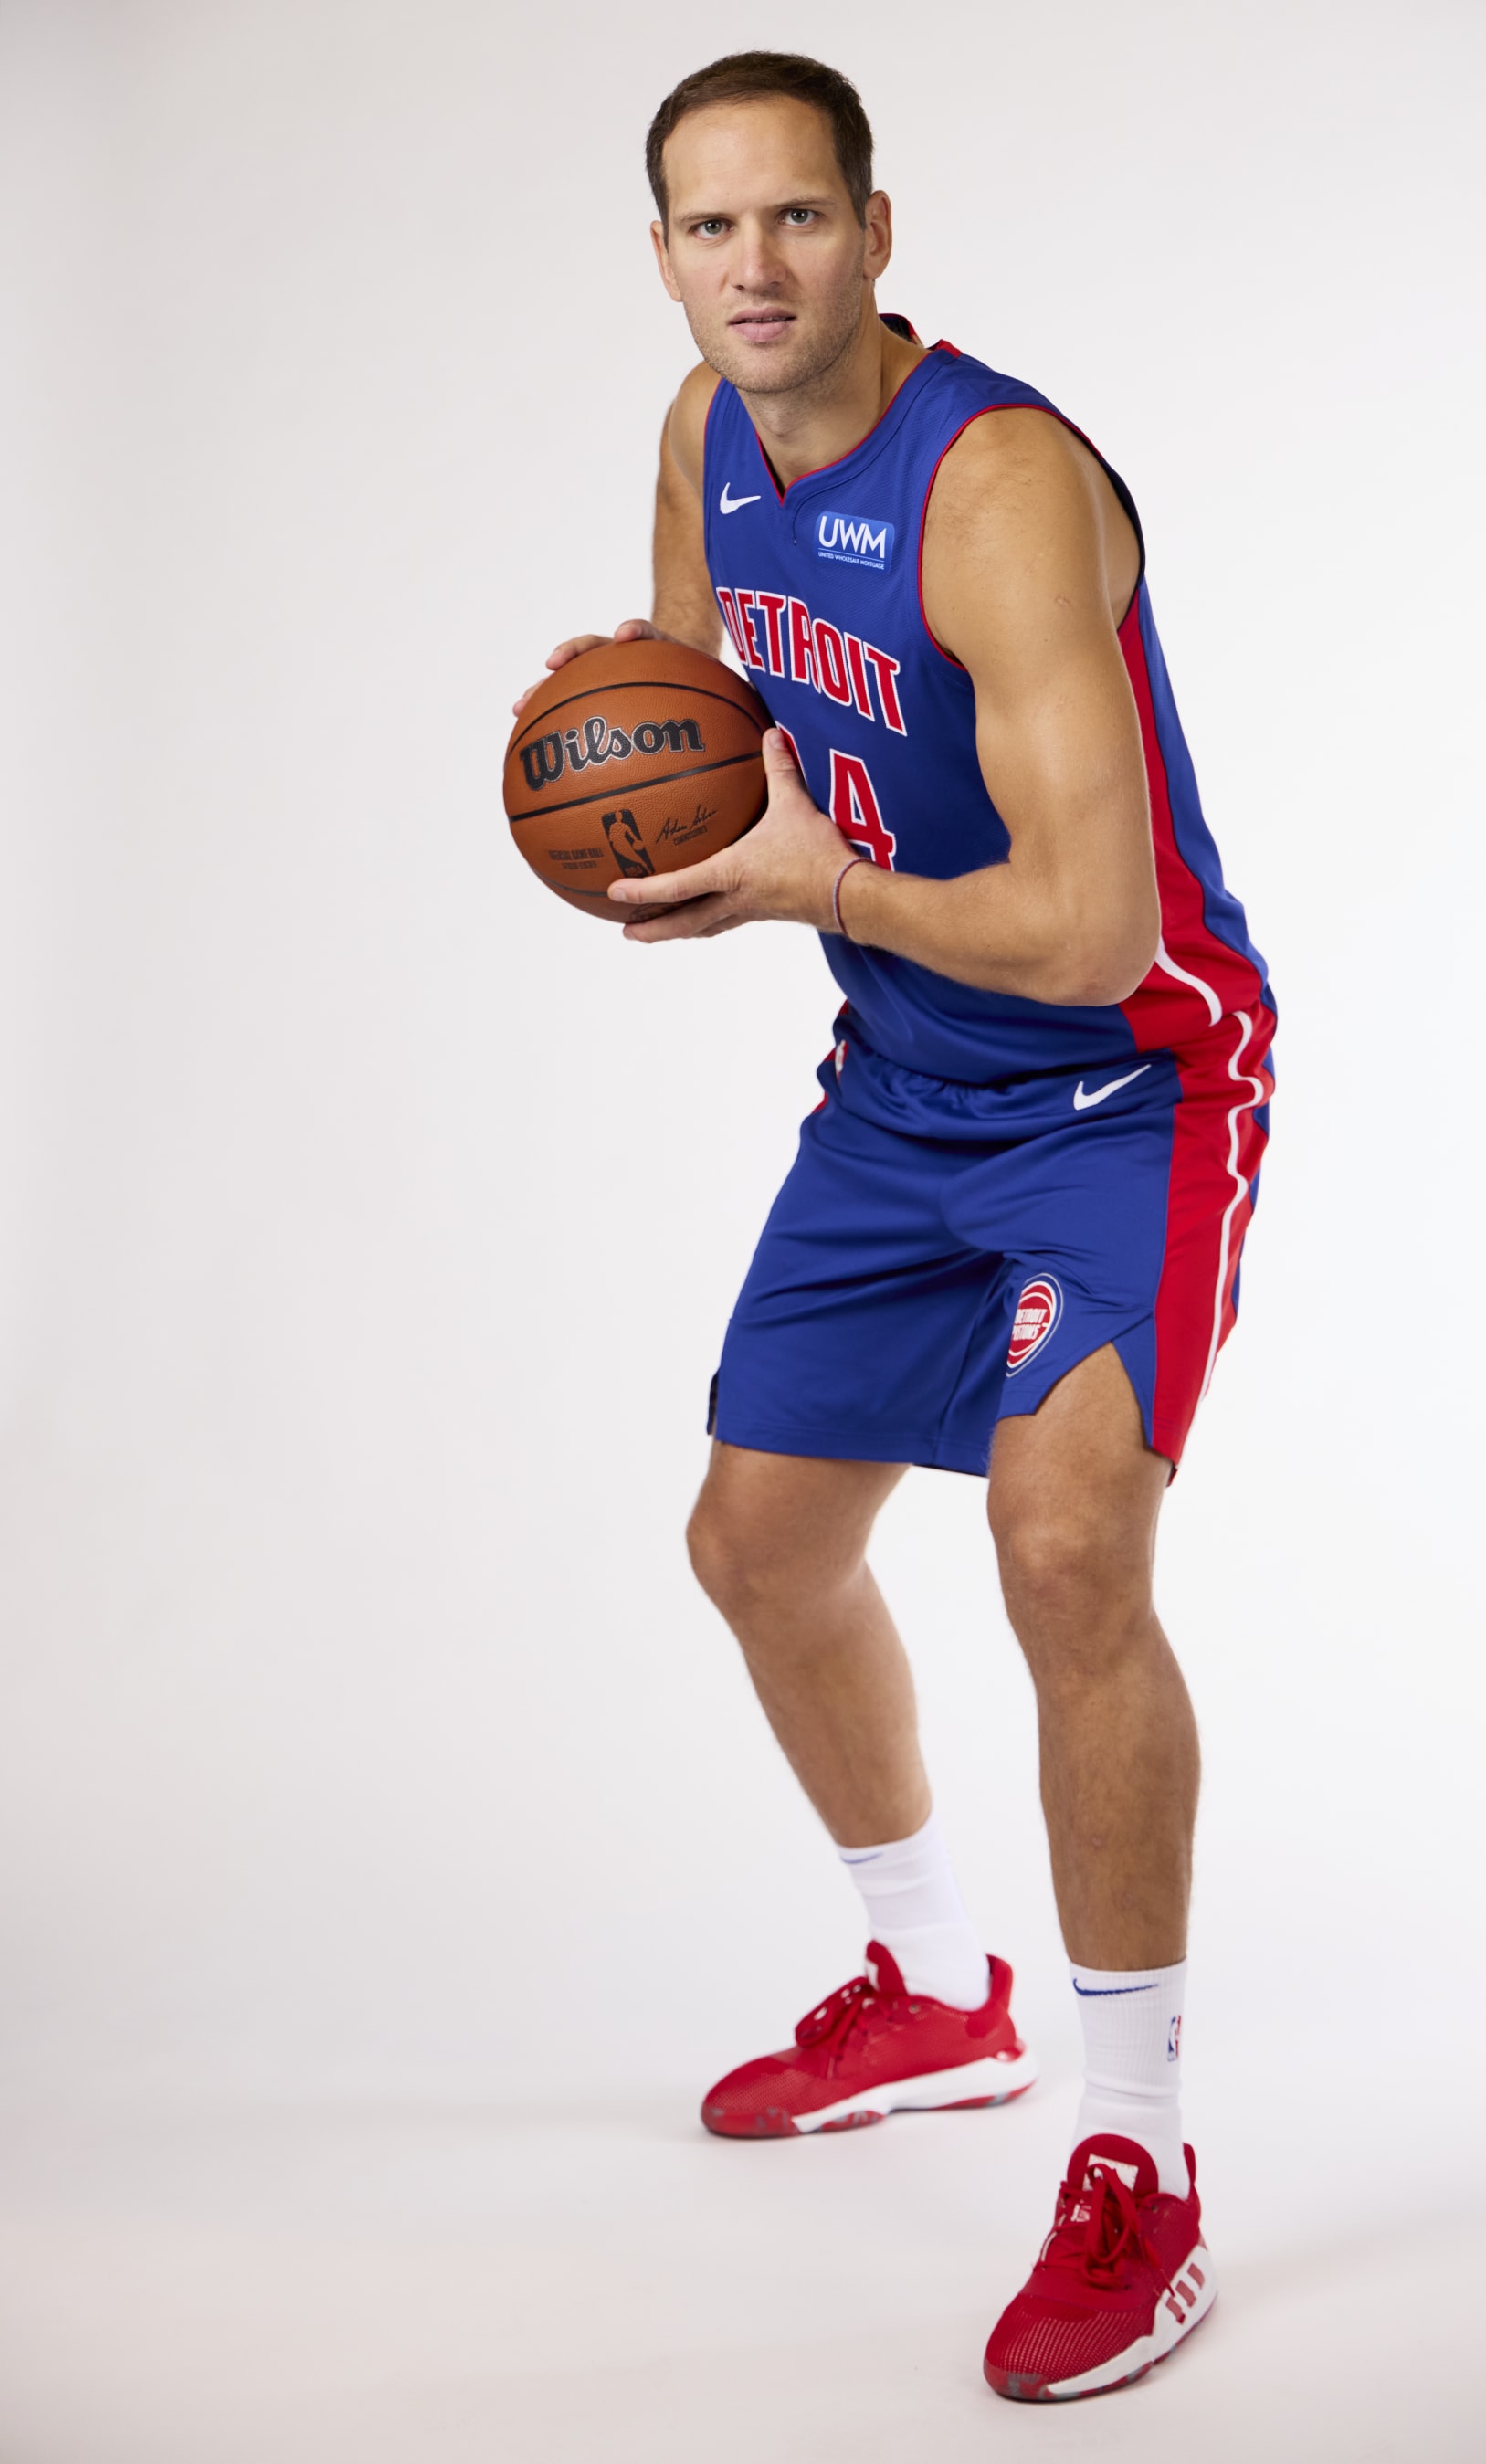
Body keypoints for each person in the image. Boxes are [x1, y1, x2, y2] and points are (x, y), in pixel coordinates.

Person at [517, 50, 1275, 2403]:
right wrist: (628, 779)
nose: (755, 273)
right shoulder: (700, 427)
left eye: (797, 224)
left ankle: (1136, 2152)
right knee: (757, 1548)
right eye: (706, 231)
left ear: (874, 225)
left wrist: (809, 883)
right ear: (664, 251)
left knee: (1064, 1555)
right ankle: (938, 1992)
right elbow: (721, 695)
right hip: (903, 1086)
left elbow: (1081, 920)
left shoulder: (1007, 487)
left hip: (1121, 1080)